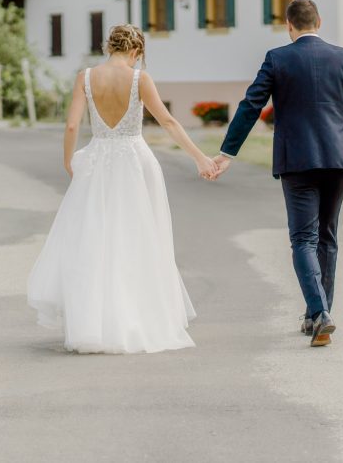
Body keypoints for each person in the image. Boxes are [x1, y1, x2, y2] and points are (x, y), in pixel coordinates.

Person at [27, 24, 218, 354]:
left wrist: (69, 161)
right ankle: (136, 319)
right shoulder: (139, 78)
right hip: (135, 163)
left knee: (95, 242)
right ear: (136, 51)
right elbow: (168, 122)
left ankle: (94, 324)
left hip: (97, 163)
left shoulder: (85, 77)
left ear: (108, 47)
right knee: (138, 240)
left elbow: (71, 125)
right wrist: (200, 158)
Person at [211, 0, 343, 348]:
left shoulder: (278, 58)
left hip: (297, 160)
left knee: (303, 239)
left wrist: (228, 152)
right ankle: (318, 315)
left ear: (289, 25)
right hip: (338, 159)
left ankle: (319, 314)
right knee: (327, 238)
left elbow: (251, 105)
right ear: (319, 21)